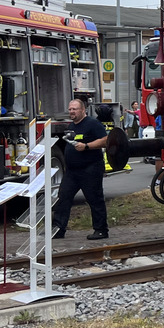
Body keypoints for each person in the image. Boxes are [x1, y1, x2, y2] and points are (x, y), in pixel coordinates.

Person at [53, 97, 110, 240]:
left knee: (95, 199)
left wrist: (87, 146)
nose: (71, 112)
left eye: (75, 109)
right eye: (70, 109)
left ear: (83, 110)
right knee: (63, 198)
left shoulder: (92, 124)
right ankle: (58, 230)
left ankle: (101, 230)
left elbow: (105, 140)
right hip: (72, 171)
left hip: (90, 168)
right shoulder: (71, 126)